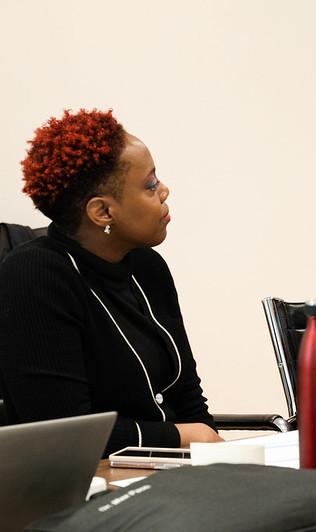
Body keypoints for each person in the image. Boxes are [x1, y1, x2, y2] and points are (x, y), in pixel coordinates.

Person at [0, 109, 222, 456]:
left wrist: (212, 450)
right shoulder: (34, 277)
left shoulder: (148, 267)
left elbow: (189, 401)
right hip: (85, 488)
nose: (164, 190)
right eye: (150, 185)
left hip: (169, 474)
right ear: (102, 212)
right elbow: (65, 434)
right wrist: (182, 438)